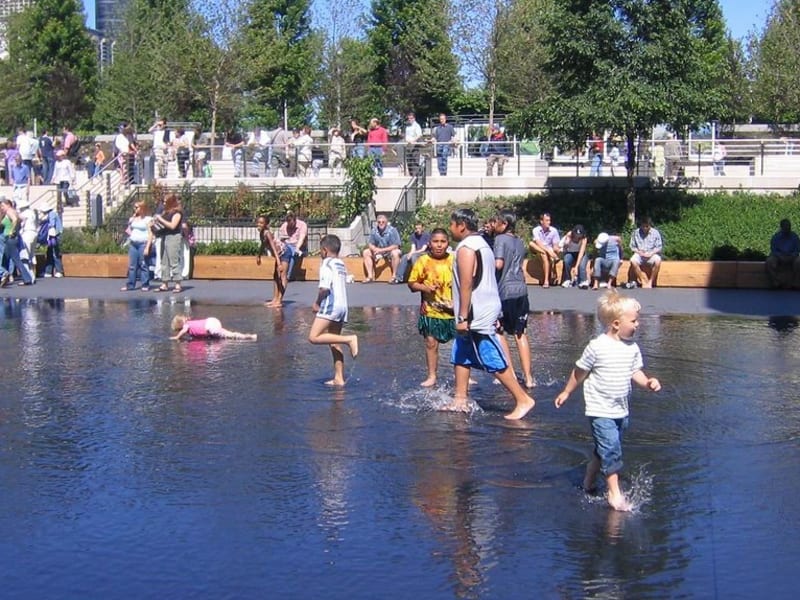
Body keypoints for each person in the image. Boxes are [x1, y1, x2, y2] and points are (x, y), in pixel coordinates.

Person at [554, 290, 661, 511]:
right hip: (600, 409)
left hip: (621, 410)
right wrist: (566, 392)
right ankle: (614, 493)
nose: (637, 325)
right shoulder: (597, 346)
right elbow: (579, 372)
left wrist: (648, 382)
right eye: (633, 321)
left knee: (602, 449)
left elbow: (636, 372)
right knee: (611, 449)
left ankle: (588, 482)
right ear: (615, 324)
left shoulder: (631, 348)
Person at [447, 208, 536, 420]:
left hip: (476, 311)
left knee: (489, 354)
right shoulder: (481, 244)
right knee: (461, 350)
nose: (450, 228)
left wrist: (462, 317)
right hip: (481, 307)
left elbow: (468, 282)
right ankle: (460, 398)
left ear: (461, 225)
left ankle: (523, 399)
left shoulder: (467, 248)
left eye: (452, 224)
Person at [308, 234, 359, 386]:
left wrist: (317, 303)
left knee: (313, 337)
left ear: (324, 250)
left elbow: (324, 288)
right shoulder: (340, 263)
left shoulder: (326, 264)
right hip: (343, 306)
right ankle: (339, 378)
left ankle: (350, 339)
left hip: (332, 305)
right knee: (333, 341)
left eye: (320, 251)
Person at [407, 228, 455, 387]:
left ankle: (463, 375)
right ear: (429, 243)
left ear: (448, 243)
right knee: (431, 343)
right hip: (430, 310)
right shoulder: (423, 261)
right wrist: (426, 288)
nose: (439, 245)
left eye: (443, 242)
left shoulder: (453, 259)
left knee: (460, 344)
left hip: (452, 311)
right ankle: (432, 375)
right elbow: (412, 284)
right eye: (436, 242)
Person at [493, 211, 535, 389]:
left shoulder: (500, 239)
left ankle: (509, 373)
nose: (493, 225)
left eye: (496, 222)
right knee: (520, 334)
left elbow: (499, 264)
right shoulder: (519, 241)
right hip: (522, 292)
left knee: (499, 331)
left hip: (505, 292)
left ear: (503, 224)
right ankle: (529, 378)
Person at [151, 193, 184, 292]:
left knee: (173, 260)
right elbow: (161, 224)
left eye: (166, 202)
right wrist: (155, 222)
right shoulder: (165, 212)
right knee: (164, 260)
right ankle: (164, 283)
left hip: (173, 236)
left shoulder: (177, 213)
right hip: (164, 236)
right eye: (163, 201)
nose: (163, 204)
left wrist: (161, 219)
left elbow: (173, 226)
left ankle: (178, 283)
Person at [0, 198, 34, 287]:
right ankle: (5, 277)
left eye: (2, 206)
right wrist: (17, 229)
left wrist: (12, 230)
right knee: (5, 259)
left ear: (8, 205)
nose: (2, 207)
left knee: (16, 259)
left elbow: (15, 219)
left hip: (10, 238)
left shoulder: (9, 211)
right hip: (12, 238)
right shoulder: (13, 211)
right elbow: (21, 219)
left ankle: (27, 279)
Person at [275, 211, 307, 303]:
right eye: (288, 224)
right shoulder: (284, 226)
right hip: (287, 245)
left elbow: (301, 238)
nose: (290, 226)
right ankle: (286, 275)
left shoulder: (302, 225)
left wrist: (297, 248)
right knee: (287, 250)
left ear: (295, 220)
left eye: (291, 223)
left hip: (299, 246)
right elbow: (280, 239)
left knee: (292, 253)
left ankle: (287, 275)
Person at [120, 201, 154, 291]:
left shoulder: (148, 219)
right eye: (134, 207)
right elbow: (129, 229)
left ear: (142, 208)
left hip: (143, 243)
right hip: (133, 243)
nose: (135, 209)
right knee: (132, 265)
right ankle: (131, 284)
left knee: (143, 264)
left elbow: (151, 234)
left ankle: (145, 284)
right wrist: (133, 218)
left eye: (137, 207)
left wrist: (147, 247)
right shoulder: (133, 219)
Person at [362, 214, 402, 283]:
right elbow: (370, 244)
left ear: (386, 222)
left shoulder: (392, 230)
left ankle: (394, 276)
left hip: (390, 252)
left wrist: (381, 250)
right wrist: (374, 249)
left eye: (383, 222)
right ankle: (370, 276)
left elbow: (396, 245)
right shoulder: (374, 230)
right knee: (366, 252)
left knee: (395, 252)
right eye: (379, 222)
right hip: (379, 252)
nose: (381, 223)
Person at [255, 215, 284, 306]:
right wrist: (259, 255)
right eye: (258, 222)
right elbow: (263, 245)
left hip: (282, 253)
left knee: (279, 277)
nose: (259, 224)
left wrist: (279, 263)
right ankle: (275, 299)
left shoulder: (267, 233)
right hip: (278, 255)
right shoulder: (262, 233)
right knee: (275, 276)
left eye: (261, 223)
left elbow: (273, 248)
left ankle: (278, 300)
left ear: (266, 224)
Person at [629, 217, 664, 288]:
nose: (645, 228)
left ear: (650, 225)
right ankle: (643, 281)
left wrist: (651, 253)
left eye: (647, 226)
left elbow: (659, 247)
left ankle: (651, 281)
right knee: (632, 260)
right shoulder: (636, 233)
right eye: (643, 226)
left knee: (658, 260)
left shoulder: (655, 233)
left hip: (651, 254)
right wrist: (639, 252)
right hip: (640, 254)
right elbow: (632, 246)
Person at [529, 212, 561, 288]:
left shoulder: (554, 230)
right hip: (537, 249)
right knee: (531, 243)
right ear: (541, 221)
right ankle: (546, 280)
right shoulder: (536, 230)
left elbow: (555, 245)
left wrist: (557, 250)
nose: (548, 222)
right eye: (546, 220)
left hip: (547, 251)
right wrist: (549, 252)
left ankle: (546, 280)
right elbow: (538, 243)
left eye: (549, 220)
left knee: (544, 254)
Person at [766, 218, 800, 289]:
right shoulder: (775, 237)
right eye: (786, 226)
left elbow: (797, 250)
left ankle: (795, 284)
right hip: (778, 256)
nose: (788, 228)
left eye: (789, 226)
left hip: (792, 256)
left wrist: (791, 256)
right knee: (769, 261)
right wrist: (780, 256)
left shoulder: (795, 237)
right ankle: (776, 283)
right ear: (781, 227)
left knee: (799, 262)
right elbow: (774, 250)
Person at [171, 315, 257, 341]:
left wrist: (177, 337)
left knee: (228, 336)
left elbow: (184, 330)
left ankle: (249, 337)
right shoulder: (190, 325)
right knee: (230, 334)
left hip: (210, 326)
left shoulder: (186, 325)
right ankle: (250, 336)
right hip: (211, 321)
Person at [560, 224, 590, 288]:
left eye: (579, 234)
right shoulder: (569, 235)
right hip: (570, 252)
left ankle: (583, 281)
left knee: (581, 265)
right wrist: (566, 243)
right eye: (576, 234)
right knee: (566, 260)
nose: (578, 236)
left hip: (581, 253)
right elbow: (564, 249)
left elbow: (581, 252)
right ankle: (567, 279)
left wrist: (576, 266)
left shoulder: (584, 239)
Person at [17, 197, 38, 283]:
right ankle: (32, 276)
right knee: (31, 256)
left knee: (24, 256)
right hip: (34, 233)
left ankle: (28, 277)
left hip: (27, 233)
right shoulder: (32, 213)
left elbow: (20, 221)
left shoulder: (24, 213)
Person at [41, 203, 64, 278]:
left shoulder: (51, 214)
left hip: (54, 235)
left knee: (54, 252)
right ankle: (49, 271)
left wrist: (43, 223)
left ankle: (58, 271)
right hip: (53, 236)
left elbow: (52, 224)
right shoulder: (52, 214)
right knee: (50, 252)